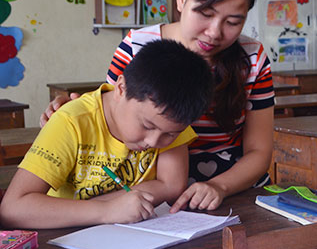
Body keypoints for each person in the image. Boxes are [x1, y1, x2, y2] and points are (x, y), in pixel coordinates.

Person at [40, 0, 274, 212]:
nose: (214, 32)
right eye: (206, 14)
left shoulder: (251, 59)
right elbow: (113, 116)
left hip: (234, 188)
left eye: (232, 22)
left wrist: (220, 186)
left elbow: (259, 151)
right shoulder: (136, 46)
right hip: (154, 190)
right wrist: (71, 110)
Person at [0, 40, 213, 229]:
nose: (153, 142)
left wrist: (118, 207)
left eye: (170, 134)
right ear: (121, 88)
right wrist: (107, 211)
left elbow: (172, 185)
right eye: (146, 125)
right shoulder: (72, 121)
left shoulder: (171, 115)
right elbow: (12, 210)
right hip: (64, 239)